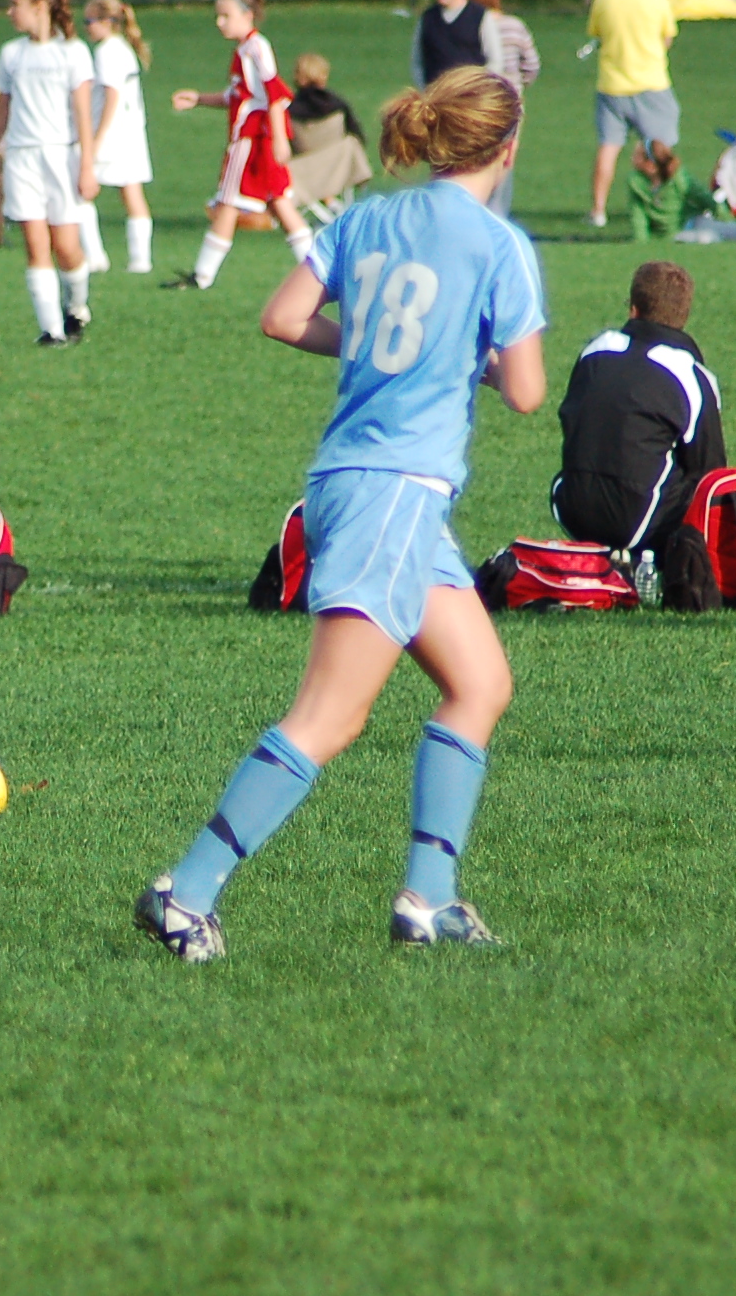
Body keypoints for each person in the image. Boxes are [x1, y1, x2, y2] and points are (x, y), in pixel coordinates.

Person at [135, 67, 547, 964]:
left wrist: (370, 345)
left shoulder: (365, 218)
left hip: (359, 487)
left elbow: (284, 318)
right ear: (507, 148)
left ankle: (429, 900)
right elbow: (526, 391)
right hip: (396, 492)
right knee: (329, 715)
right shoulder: (498, 244)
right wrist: (465, 362)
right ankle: (186, 890)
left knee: (481, 684)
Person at [552, 261, 726, 555]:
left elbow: (573, 421)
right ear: (683, 316)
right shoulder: (691, 375)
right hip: (639, 521)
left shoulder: (594, 350)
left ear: (633, 309)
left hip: (570, 507)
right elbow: (711, 473)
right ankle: (663, 562)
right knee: (704, 484)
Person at [0, 0, 102, 348]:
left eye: (15, 4)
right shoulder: (11, 53)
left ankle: (76, 307)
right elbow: (2, 110)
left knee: (66, 247)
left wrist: (87, 165)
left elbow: (82, 113)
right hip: (22, 157)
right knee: (36, 245)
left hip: (61, 155)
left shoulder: (73, 52)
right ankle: (51, 331)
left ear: (39, 6)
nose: (9, 12)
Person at [169, 0, 313, 290]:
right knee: (278, 202)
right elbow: (240, 97)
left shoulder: (256, 47)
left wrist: (279, 138)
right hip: (258, 139)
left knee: (228, 202)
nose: (219, 22)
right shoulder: (244, 49)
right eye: (217, 16)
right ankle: (318, 268)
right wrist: (198, 99)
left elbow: (275, 94)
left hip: (252, 140)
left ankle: (202, 276)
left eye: (226, 16)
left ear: (247, 16)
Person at [585, 0, 679, 228]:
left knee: (608, 147)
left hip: (612, 84)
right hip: (651, 83)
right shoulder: (658, 0)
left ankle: (598, 210)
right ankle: (659, 200)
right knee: (660, 148)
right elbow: (667, 39)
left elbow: (597, 33)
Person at [84, 0, 156, 272]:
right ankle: (140, 260)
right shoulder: (122, 48)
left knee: (81, 192)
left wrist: (97, 139)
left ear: (107, 22)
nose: (86, 27)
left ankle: (95, 256)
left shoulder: (107, 51)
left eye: (89, 21)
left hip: (112, 133)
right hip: (131, 132)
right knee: (132, 193)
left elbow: (111, 96)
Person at [471, 0, 538, 219]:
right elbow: (532, 64)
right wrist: (520, 83)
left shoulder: (472, 25)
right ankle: (498, 210)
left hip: (479, 97)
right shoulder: (514, 25)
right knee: (505, 154)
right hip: (512, 97)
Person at [280, 52, 374, 219]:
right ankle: (331, 202)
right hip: (338, 168)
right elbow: (359, 137)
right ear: (323, 76)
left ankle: (326, 203)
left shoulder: (288, 112)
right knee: (350, 144)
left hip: (302, 173)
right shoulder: (338, 106)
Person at [415, 0, 486, 86]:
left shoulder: (480, 16)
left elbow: (495, 60)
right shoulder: (428, 17)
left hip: (472, 93)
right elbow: (418, 60)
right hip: (436, 93)